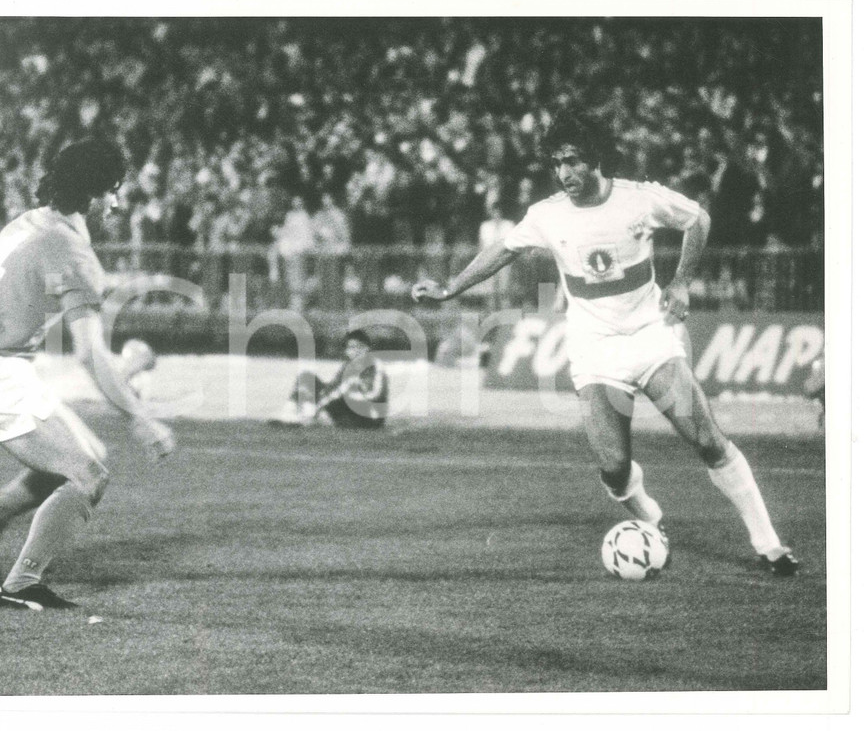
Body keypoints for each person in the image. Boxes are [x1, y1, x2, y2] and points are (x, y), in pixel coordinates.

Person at [412, 114, 798, 576]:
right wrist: (451, 287)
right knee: (614, 467)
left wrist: (681, 282)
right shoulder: (548, 214)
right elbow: (504, 250)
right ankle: (649, 515)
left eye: (573, 161)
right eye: (557, 163)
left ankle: (768, 543)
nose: (564, 173)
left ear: (596, 158)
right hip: (594, 349)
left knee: (707, 439)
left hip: (650, 337)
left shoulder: (638, 199)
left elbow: (698, 219)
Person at [0, 139, 176, 611]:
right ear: (90, 193)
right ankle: (21, 586)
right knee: (88, 475)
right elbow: (89, 354)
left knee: (87, 456)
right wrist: (140, 417)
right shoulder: (71, 251)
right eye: (111, 191)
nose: (115, 203)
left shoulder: (29, 222)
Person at [271, 330, 389, 429]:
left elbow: (374, 394)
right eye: (350, 348)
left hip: (367, 417)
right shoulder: (348, 366)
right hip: (347, 408)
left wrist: (343, 394)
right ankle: (287, 416)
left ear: (367, 348)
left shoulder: (375, 366)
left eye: (358, 347)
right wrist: (322, 395)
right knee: (307, 378)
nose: (354, 351)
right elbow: (334, 387)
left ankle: (306, 419)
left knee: (335, 396)